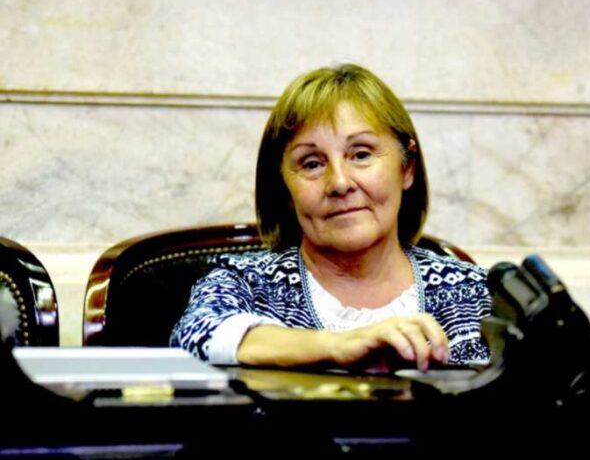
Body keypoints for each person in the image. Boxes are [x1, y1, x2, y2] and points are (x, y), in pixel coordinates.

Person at [171, 63, 491, 372]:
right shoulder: (245, 282)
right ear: (285, 189)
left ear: (406, 168)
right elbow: (196, 335)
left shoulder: (475, 293)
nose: (339, 183)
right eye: (312, 164)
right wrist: (339, 345)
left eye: (361, 154)